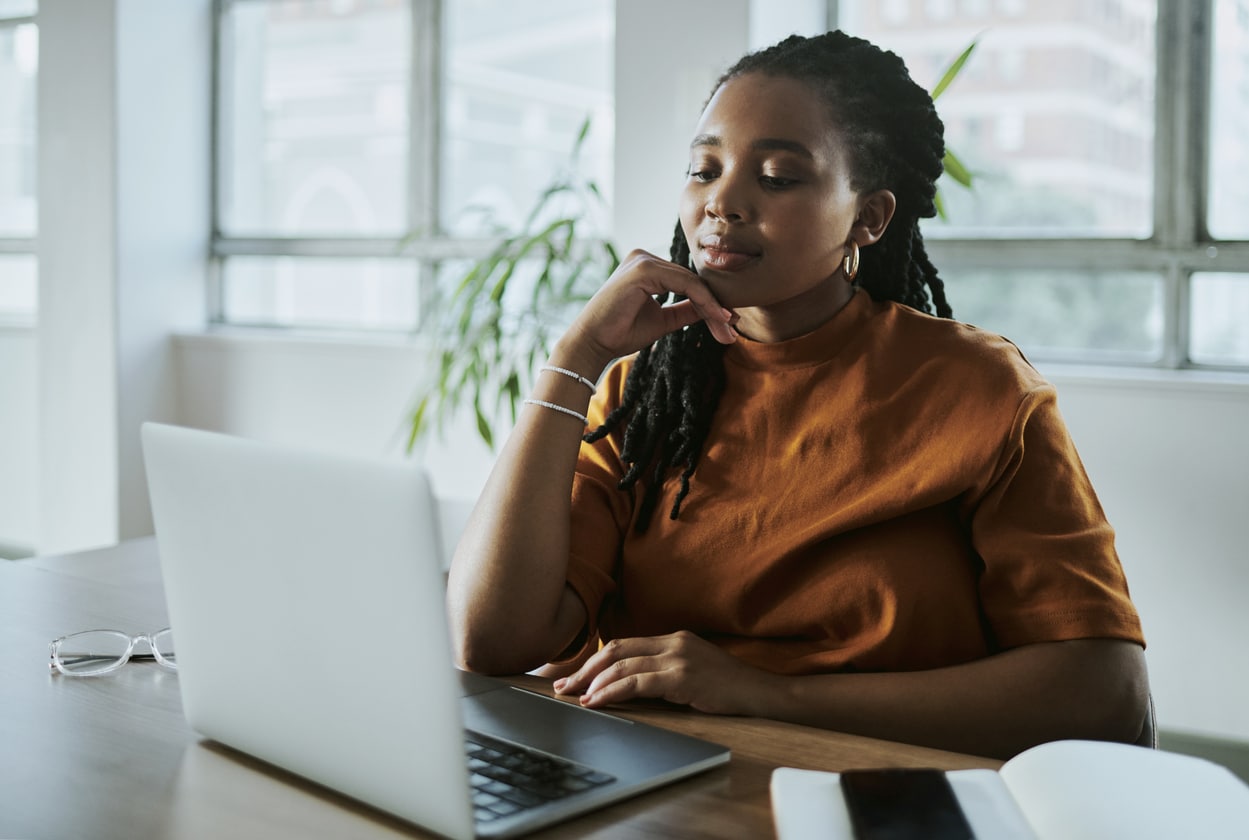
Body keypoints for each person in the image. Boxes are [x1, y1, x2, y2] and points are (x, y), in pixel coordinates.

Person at [446, 30, 1149, 760]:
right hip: (661, 779)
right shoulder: (642, 391)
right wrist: (574, 359)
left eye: (777, 176)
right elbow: (491, 641)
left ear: (867, 218)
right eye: (702, 169)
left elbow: (1102, 692)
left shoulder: (977, 388)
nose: (721, 202)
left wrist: (761, 691)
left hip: (881, 789)